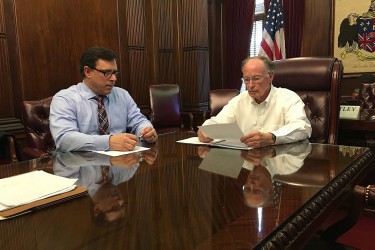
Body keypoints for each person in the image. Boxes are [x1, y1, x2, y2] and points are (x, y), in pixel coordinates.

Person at [50, 47, 157, 152]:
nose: (114, 79)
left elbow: (138, 121)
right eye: (107, 73)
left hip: (121, 162)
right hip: (81, 165)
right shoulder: (65, 99)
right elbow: (64, 139)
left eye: (115, 73)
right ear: (88, 72)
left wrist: (146, 130)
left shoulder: (122, 95)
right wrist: (108, 142)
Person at [198, 56, 312, 148]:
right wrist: (205, 130)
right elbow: (218, 122)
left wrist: (271, 137)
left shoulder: (288, 97)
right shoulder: (239, 100)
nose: (250, 85)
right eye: (246, 80)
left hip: (282, 164)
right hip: (248, 163)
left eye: (256, 78)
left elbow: (302, 128)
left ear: (271, 76)